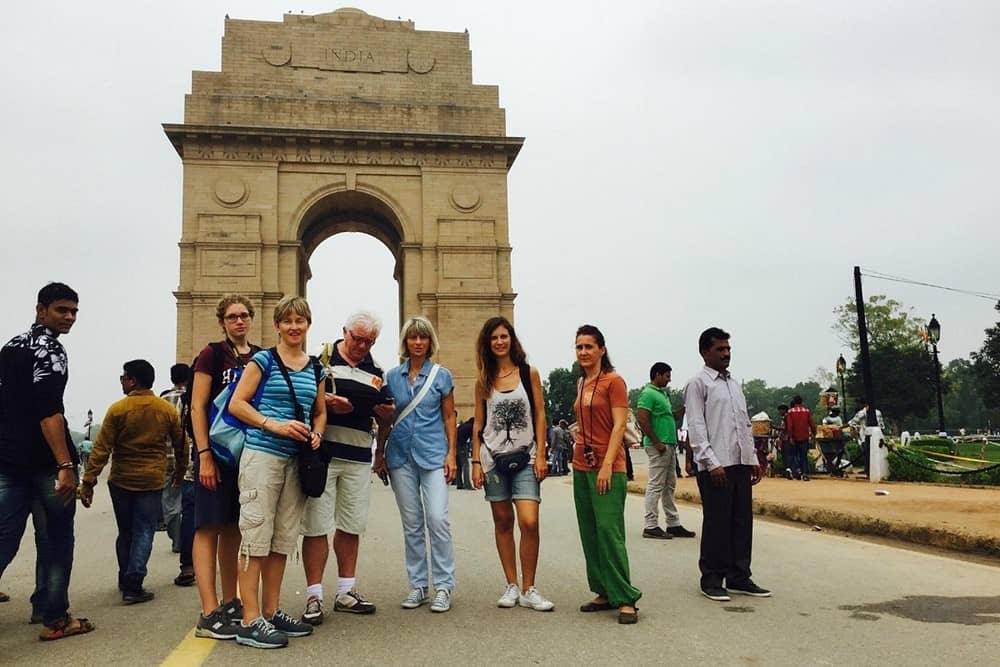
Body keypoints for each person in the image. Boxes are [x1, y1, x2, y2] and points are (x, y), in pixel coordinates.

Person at [228, 295, 326, 649]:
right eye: (288, 321)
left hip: (296, 461)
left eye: (301, 320)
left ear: (307, 325)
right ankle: (249, 619)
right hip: (263, 456)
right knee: (255, 536)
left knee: (282, 540)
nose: (294, 326)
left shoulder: (316, 367)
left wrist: (317, 432)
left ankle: (270, 610)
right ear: (277, 325)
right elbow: (237, 403)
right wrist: (273, 424)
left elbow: (319, 411)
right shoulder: (262, 360)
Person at [0, 282, 95, 641]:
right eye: (61, 310)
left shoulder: (11, 346)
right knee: (55, 541)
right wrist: (66, 466)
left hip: (8, 459)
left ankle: (43, 602)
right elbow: (49, 411)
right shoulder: (50, 349)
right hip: (43, 463)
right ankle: (54, 618)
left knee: (4, 537)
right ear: (41, 310)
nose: (69, 317)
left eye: (73, 312)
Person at [300, 311, 393, 624]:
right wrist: (326, 403)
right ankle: (314, 595)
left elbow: (386, 414)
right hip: (322, 456)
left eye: (369, 342)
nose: (362, 346)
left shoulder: (378, 371)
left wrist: (385, 414)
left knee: (352, 525)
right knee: (316, 526)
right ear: (344, 332)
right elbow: (301, 402)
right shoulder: (318, 364)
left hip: (357, 457)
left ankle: (346, 591)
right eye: (358, 339)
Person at [80, 359, 186, 604]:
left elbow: (101, 448)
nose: (121, 380)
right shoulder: (166, 410)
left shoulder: (118, 409)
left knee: (126, 531)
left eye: (124, 377)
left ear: (133, 381)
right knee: (144, 530)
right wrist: (179, 475)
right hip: (151, 480)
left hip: (120, 480)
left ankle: (125, 576)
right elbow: (182, 445)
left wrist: (88, 481)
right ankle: (134, 582)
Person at [189, 295, 262, 639]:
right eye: (232, 317)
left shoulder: (261, 356)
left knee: (234, 526)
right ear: (222, 322)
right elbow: (197, 407)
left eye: (245, 315)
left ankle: (231, 600)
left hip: (247, 455)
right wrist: (203, 453)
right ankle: (209, 610)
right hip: (214, 454)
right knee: (208, 527)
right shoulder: (211, 354)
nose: (239, 321)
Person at [471, 316, 554, 612]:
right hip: (493, 459)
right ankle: (512, 585)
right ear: (487, 343)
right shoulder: (483, 380)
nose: (499, 341)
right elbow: (479, 423)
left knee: (529, 521)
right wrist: (475, 462)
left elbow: (541, 415)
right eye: (494, 337)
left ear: (511, 339)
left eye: (504, 336)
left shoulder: (528, 373)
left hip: (526, 456)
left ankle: (530, 587)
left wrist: (542, 453)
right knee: (503, 521)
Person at [378, 316, 458, 614]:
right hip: (400, 456)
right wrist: (380, 454)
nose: (418, 342)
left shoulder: (442, 375)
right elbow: (386, 418)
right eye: (412, 337)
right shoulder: (392, 377)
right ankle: (419, 585)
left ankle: (444, 585)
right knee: (412, 524)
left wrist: (452, 454)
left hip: (434, 454)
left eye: (423, 337)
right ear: (405, 341)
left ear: (430, 341)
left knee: (437, 518)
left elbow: (450, 417)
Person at [684, 327, 771, 602]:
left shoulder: (734, 384)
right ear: (704, 352)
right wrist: (710, 462)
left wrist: (752, 459)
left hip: (740, 463)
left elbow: (743, 424)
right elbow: (696, 427)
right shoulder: (698, 383)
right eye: (720, 349)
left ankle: (739, 576)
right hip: (716, 465)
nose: (726, 354)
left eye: (728, 349)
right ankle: (711, 578)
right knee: (717, 523)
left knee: (741, 521)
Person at [571, 324, 641, 625]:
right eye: (579, 347)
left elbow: (618, 425)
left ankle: (625, 597)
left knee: (610, 531)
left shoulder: (614, 381)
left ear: (602, 349)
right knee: (590, 531)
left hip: (607, 466)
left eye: (589, 346)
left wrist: (607, 464)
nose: (583, 352)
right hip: (581, 464)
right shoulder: (581, 383)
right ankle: (603, 590)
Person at [637, 362, 695, 540]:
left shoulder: (663, 395)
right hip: (658, 445)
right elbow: (642, 418)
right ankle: (650, 525)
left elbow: (671, 416)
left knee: (669, 485)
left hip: (668, 444)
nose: (669, 379)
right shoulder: (648, 394)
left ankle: (673, 523)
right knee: (656, 485)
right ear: (657, 375)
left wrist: (687, 407)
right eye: (667, 376)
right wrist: (656, 442)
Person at [160, 363, 196, 587]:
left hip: (165, 458)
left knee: (169, 502)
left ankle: (177, 539)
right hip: (190, 459)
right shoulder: (195, 397)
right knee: (190, 506)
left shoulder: (162, 400)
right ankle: (186, 545)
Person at [784, 395, 816, 481]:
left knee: (794, 455)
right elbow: (812, 424)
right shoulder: (806, 411)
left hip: (794, 437)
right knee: (803, 456)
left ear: (794, 402)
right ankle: (804, 473)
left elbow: (790, 426)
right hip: (804, 436)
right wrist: (814, 433)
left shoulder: (790, 412)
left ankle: (794, 470)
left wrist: (790, 436)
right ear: (802, 402)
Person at [455, 416, 474, 489]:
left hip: (455, 446)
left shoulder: (463, 425)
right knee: (466, 465)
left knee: (459, 465)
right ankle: (467, 484)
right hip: (462, 445)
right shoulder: (470, 427)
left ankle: (459, 484)